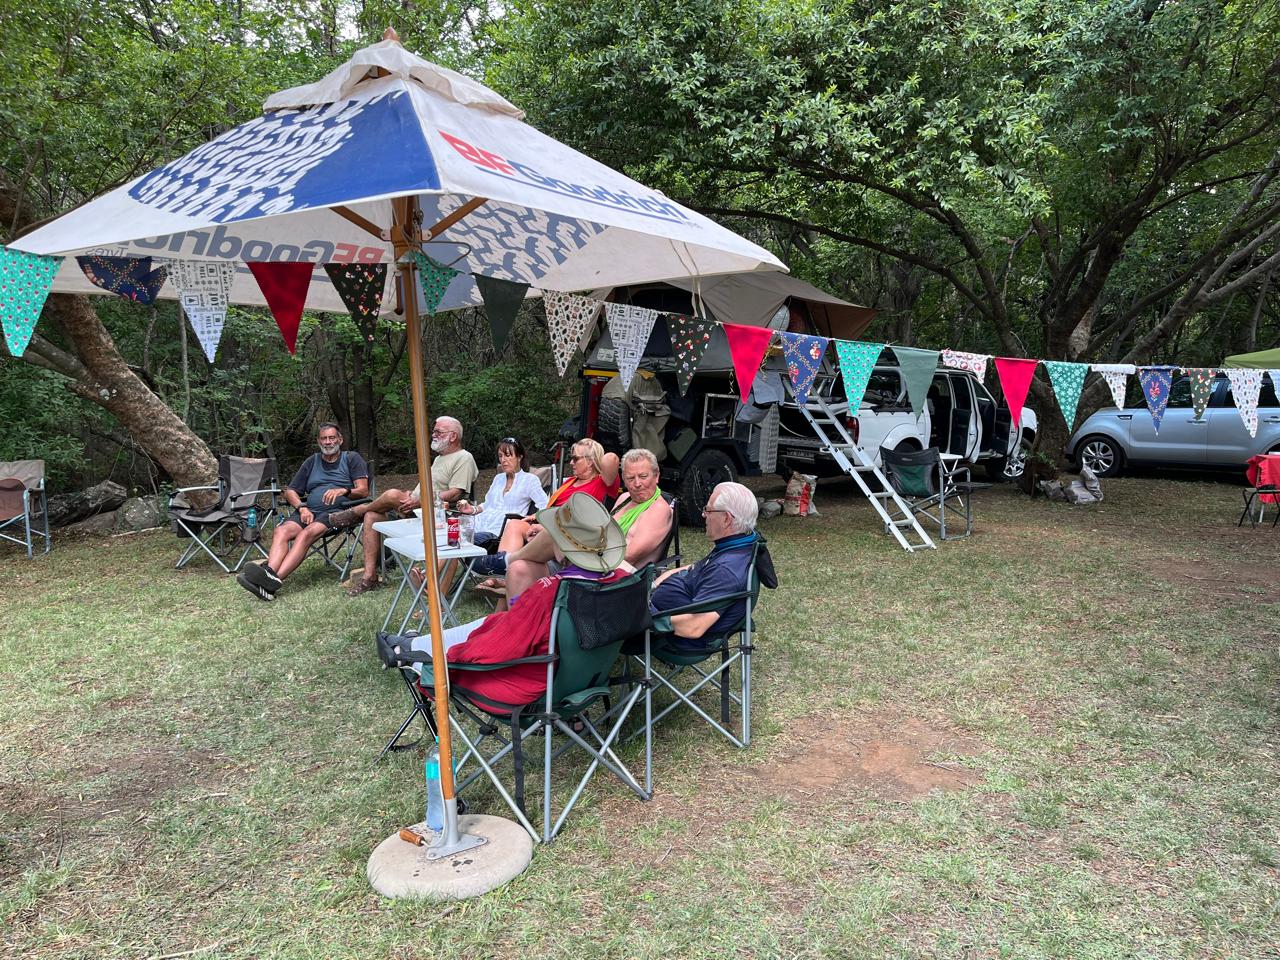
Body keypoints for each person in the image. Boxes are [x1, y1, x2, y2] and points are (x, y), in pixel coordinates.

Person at [394, 492, 628, 709]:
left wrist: (452, 659)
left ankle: (409, 649)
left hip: (539, 688)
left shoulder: (550, 591)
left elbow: (504, 645)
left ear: (561, 546)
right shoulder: (623, 582)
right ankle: (413, 643)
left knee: (485, 634)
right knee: (493, 622)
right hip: (586, 680)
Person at [494, 448, 672, 608]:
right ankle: (517, 624)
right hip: (592, 562)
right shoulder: (625, 498)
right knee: (519, 570)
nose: (637, 483)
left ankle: (505, 561)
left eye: (643, 476)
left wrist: (579, 549)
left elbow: (629, 555)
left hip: (615, 577)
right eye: (631, 478)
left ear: (656, 476)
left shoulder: (658, 509)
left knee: (553, 535)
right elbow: (599, 530)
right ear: (624, 479)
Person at [329, 415, 478, 596]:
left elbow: (455, 494)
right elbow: (431, 488)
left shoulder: (464, 458)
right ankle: (370, 577)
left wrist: (421, 500)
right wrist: (413, 495)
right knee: (372, 516)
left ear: (453, 436)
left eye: (438, 432)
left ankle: (357, 511)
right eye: (434, 431)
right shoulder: (440, 458)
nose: (433, 435)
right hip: (416, 509)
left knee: (392, 494)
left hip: (437, 517)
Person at [236, 422, 369, 601]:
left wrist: (343, 490)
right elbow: (290, 490)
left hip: (338, 512)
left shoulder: (351, 458)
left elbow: (363, 491)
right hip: (309, 511)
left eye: (332, 438)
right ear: (318, 441)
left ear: (340, 439)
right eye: (324, 438)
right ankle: (269, 573)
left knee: (306, 534)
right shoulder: (312, 461)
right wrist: (302, 507)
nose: (328, 442)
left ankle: (274, 581)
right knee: (281, 530)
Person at [650, 481, 776, 644]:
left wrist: (645, 618)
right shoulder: (737, 544)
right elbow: (696, 567)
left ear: (726, 519)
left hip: (672, 637)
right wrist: (657, 582)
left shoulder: (726, 569)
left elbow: (693, 627)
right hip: (659, 600)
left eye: (708, 510)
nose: (704, 515)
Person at [474, 437, 619, 578]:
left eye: (575, 458)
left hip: (573, 534)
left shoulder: (601, 483)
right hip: (550, 526)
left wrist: (592, 450)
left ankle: (503, 564)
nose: (571, 462)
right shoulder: (569, 482)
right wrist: (537, 517)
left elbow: (611, 458)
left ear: (591, 461)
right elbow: (553, 509)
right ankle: (502, 576)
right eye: (571, 458)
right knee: (514, 524)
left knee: (539, 531)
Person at [456, 437, 548, 552]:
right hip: (478, 523)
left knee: (458, 541)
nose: (503, 460)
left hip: (498, 531)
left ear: (519, 457)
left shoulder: (529, 480)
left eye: (508, 455)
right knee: (448, 535)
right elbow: (487, 504)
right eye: (500, 456)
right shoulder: (498, 478)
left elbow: (545, 505)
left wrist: (533, 517)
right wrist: (472, 509)